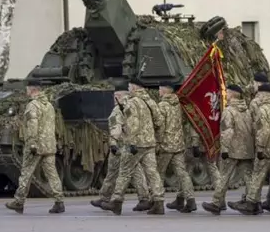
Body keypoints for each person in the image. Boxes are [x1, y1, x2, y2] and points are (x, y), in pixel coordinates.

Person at [101, 80, 165, 215]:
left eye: (130, 86)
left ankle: (116, 201)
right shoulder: (151, 101)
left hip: (135, 144)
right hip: (149, 143)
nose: (129, 88)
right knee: (152, 173)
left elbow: (130, 123)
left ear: (134, 87)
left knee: (124, 172)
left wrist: (128, 142)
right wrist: (157, 139)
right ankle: (159, 202)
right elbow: (159, 121)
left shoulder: (130, 102)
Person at [5, 80, 65, 214]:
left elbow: (33, 125)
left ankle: (19, 202)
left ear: (32, 90)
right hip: (49, 145)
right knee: (52, 174)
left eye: (27, 89)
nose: (26, 91)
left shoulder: (32, 105)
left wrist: (32, 143)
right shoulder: (49, 105)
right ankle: (59, 201)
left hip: (36, 146)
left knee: (26, 174)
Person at [231, 83, 270, 215]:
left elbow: (264, 130)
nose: (257, 96)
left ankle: (251, 202)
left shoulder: (263, 109)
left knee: (258, 174)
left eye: (259, 93)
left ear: (263, 94)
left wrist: (260, 147)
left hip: (267, 148)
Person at [202, 85, 254, 215]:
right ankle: (253, 201)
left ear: (231, 94)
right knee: (248, 177)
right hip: (247, 149)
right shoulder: (247, 110)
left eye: (227, 92)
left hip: (232, 149)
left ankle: (216, 203)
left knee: (224, 177)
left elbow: (227, 131)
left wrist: (224, 149)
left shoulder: (229, 111)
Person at [156, 81, 197, 213]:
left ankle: (157, 201)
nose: (159, 92)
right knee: (182, 173)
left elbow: (160, 126)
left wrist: (157, 143)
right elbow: (185, 122)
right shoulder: (180, 104)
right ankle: (190, 200)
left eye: (160, 89)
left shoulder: (162, 105)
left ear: (164, 90)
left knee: (159, 174)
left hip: (165, 146)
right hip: (179, 144)